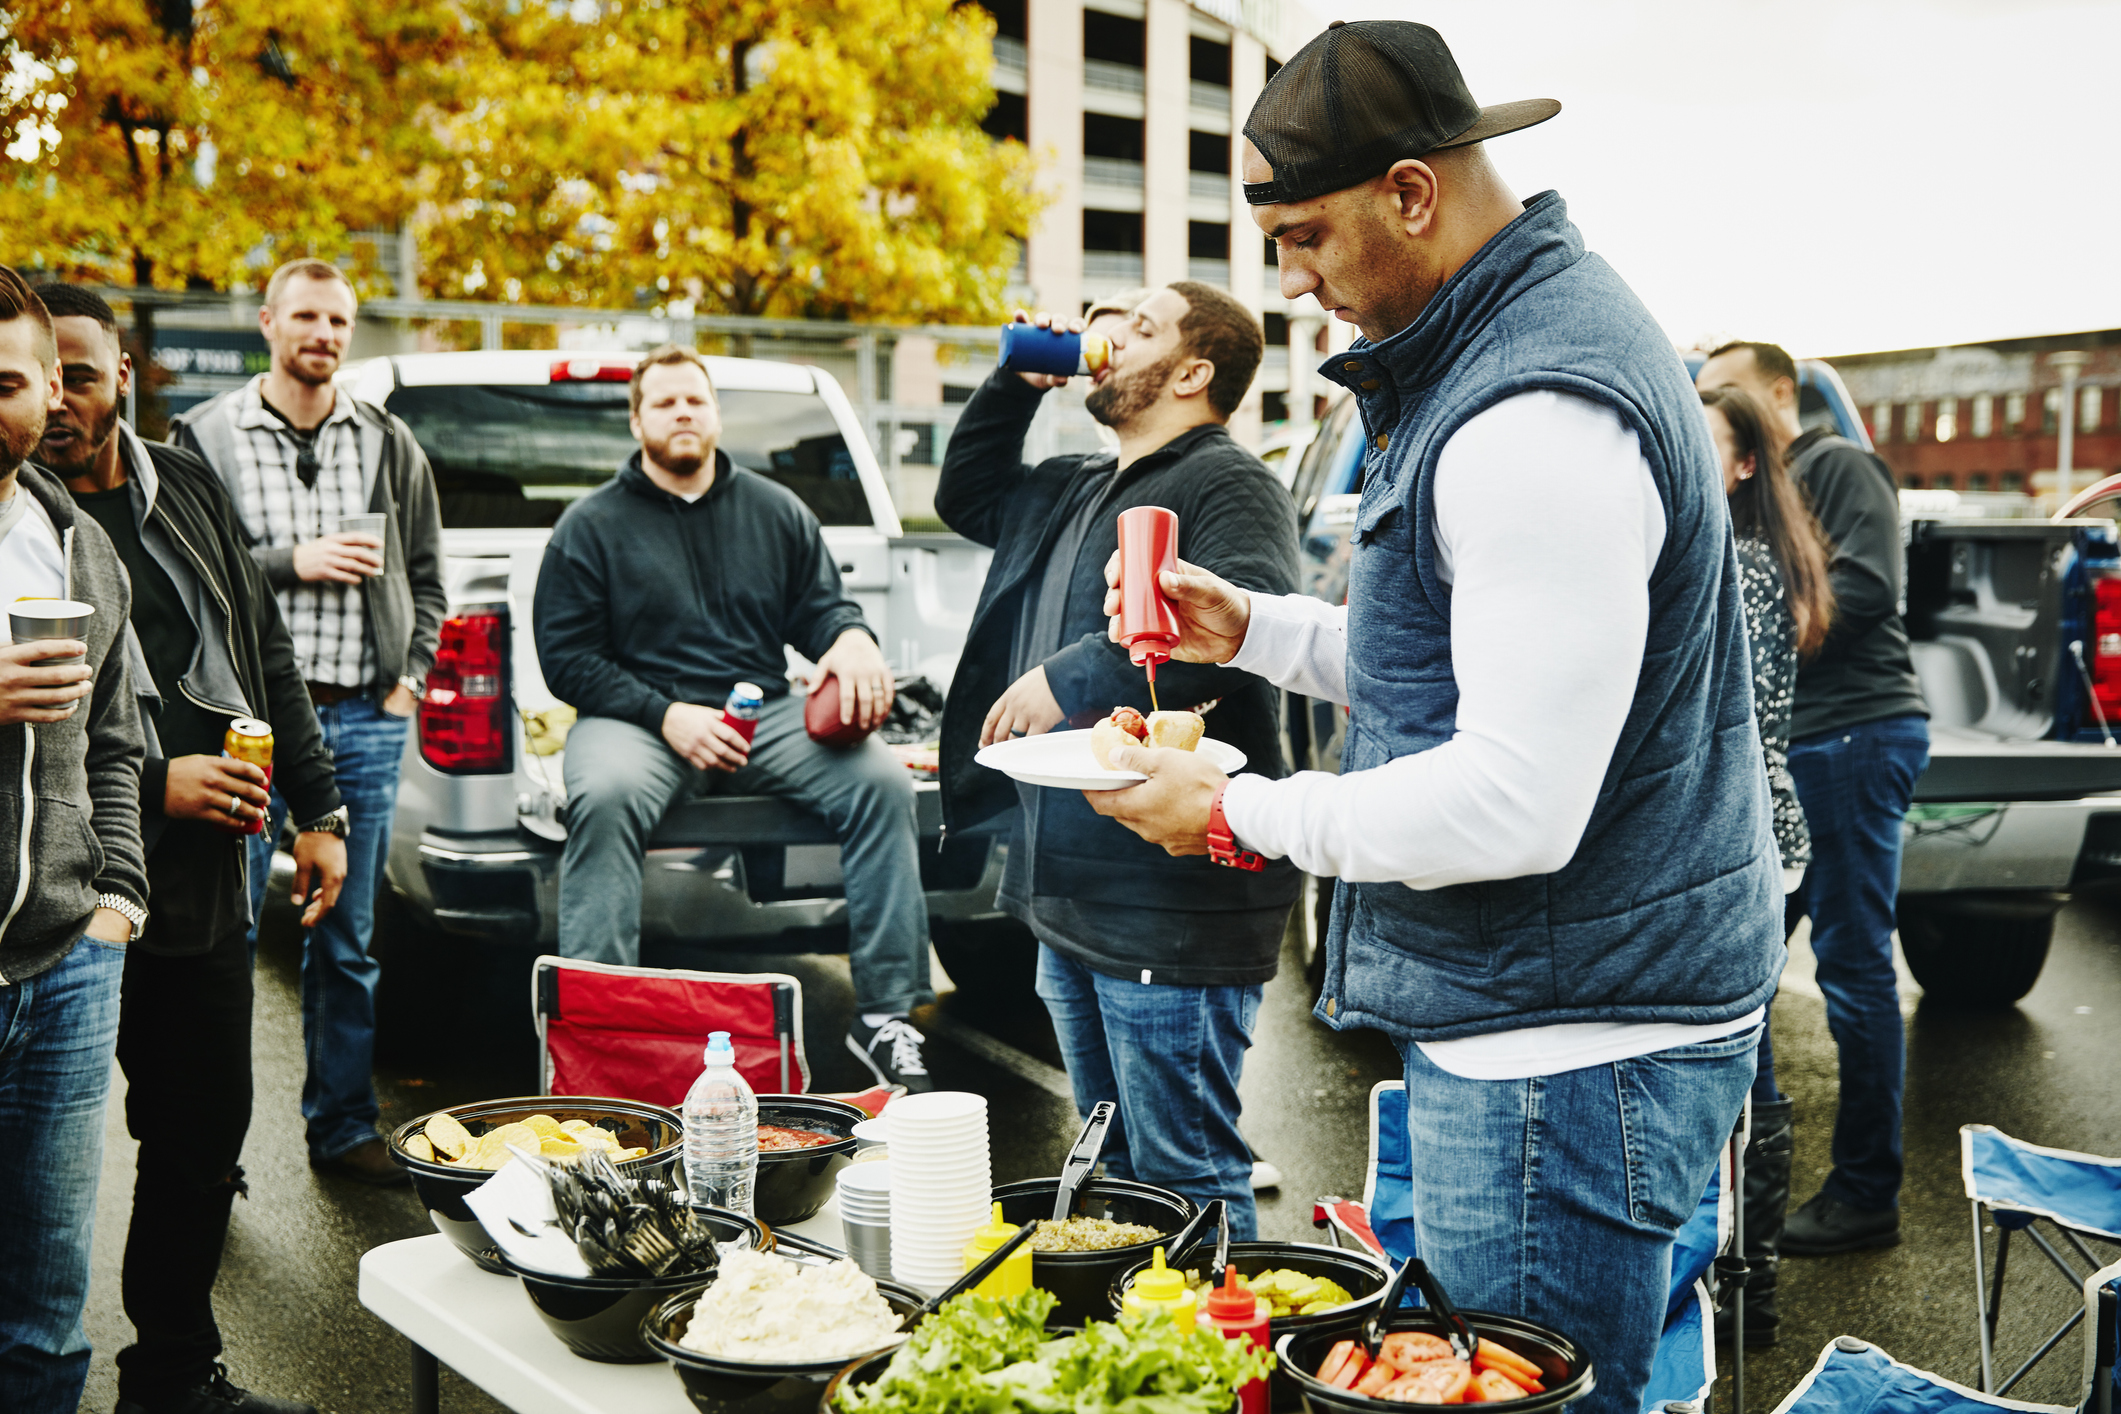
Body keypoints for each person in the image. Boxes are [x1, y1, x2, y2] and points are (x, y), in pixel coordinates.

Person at [1084, 24, 1783, 1414]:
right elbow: (1466, 667)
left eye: (1303, 237)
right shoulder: (1517, 340)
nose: (1290, 280)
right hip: (1567, 1024)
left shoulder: (1531, 409)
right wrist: (1263, 630)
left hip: (1561, 1057)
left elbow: (1515, 797)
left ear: (1412, 193)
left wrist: (1230, 810)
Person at [36, 283, 350, 1414]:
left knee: (198, 1139)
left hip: (204, 896)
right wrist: (157, 781)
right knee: (44, 1172)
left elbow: (264, 649)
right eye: (43, 376)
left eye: (84, 372)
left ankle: (171, 1375)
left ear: (125, 374)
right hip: (63, 907)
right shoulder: (19, 522)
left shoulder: (187, 489)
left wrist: (321, 808)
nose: (65, 400)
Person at [935, 283, 1300, 1237]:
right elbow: (964, 492)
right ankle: (1157, 1361)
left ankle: (1231, 1371)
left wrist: (1070, 675)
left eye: (1141, 327)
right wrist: (1018, 377)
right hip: (1068, 895)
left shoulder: (1228, 483)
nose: (1109, 336)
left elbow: (1244, 614)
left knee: (1187, 1167)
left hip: (1171, 899)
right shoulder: (1074, 481)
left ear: (1192, 372)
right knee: (1116, 1170)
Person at [531, 344, 935, 1090]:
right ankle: (600, 1032)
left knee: (882, 784)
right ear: (637, 420)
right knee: (606, 795)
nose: (683, 412)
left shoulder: (776, 510)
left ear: (714, 414)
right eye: (665, 402)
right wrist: (666, 715)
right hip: (637, 718)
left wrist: (850, 641)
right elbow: (568, 661)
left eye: (696, 400)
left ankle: (883, 1018)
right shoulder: (589, 525)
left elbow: (823, 610)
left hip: (762, 709)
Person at [170, 258, 447, 1186]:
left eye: (339, 320)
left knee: (348, 939)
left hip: (362, 722)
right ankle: (214, 1146)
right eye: (306, 317)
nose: (324, 334)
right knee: (226, 941)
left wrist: (408, 676)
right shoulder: (204, 434)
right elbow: (182, 573)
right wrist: (294, 559)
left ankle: (342, 1129)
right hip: (244, 724)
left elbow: (428, 575)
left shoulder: (387, 441)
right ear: (266, 322)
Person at [1694, 340, 1929, 1255]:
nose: (1708, 406)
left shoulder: (1838, 465)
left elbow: (1864, 590)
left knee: (1855, 965)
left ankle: (1866, 1191)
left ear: (1777, 395)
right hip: (1806, 754)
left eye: (1725, 391)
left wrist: (1744, 627)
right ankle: (1743, 1209)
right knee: (1748, 974)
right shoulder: (1744, 509)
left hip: (1851, 737)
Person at [0, 267, 151, 1414]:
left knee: (49, 1310)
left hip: (65, 963)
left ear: (52, 390)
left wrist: (117, 902)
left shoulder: (76, 543)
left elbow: (116, 737)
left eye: (8, 382)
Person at [1700, 381, 1835, 1347]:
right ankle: (1741, 1284)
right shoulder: (1738, 557)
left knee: (1743, 1068)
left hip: (1746, 840)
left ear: (1745, 464)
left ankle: (1750, 1287)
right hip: (1745, 837)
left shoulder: (1740, 564)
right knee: (1741, 1060)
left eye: (1700, 441)